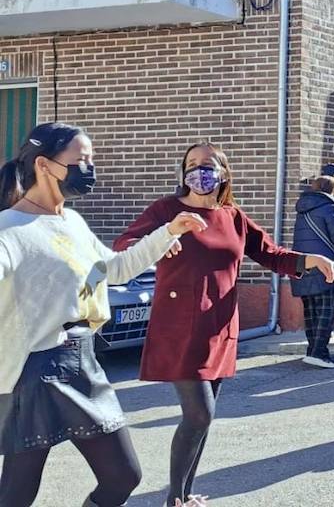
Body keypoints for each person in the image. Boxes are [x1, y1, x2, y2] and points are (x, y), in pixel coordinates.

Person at [0, 123, 208, 507]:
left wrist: (169, 232)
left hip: (83, 360)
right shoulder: (8, 230)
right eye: (81, 160)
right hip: (35, 369)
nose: (90, 167)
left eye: (91, 159)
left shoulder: (71, 222)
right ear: (45, 165)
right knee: (17, 492)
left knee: (123, 476)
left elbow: (113, 270)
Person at [117, 143, 334, 504]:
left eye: (207, 165)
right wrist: (158, 239)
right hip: (179, 328)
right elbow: (124, 243)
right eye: (191, 165)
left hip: (219, 327)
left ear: (223, 172)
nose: (198, 172)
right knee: (199, 414)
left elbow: (270, 254)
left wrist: (309, 260)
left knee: (205, 417)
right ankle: (174, 498)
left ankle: (184, 495)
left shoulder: (232, 215)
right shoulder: (167, 210)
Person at [291, 175, 334, 369]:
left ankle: (312, 350)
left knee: (311, 311)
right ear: (333, 189)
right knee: (327, 310)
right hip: (327, 265)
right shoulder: (332, 207)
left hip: (304, 263)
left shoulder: (303, 208)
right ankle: (320, 352)